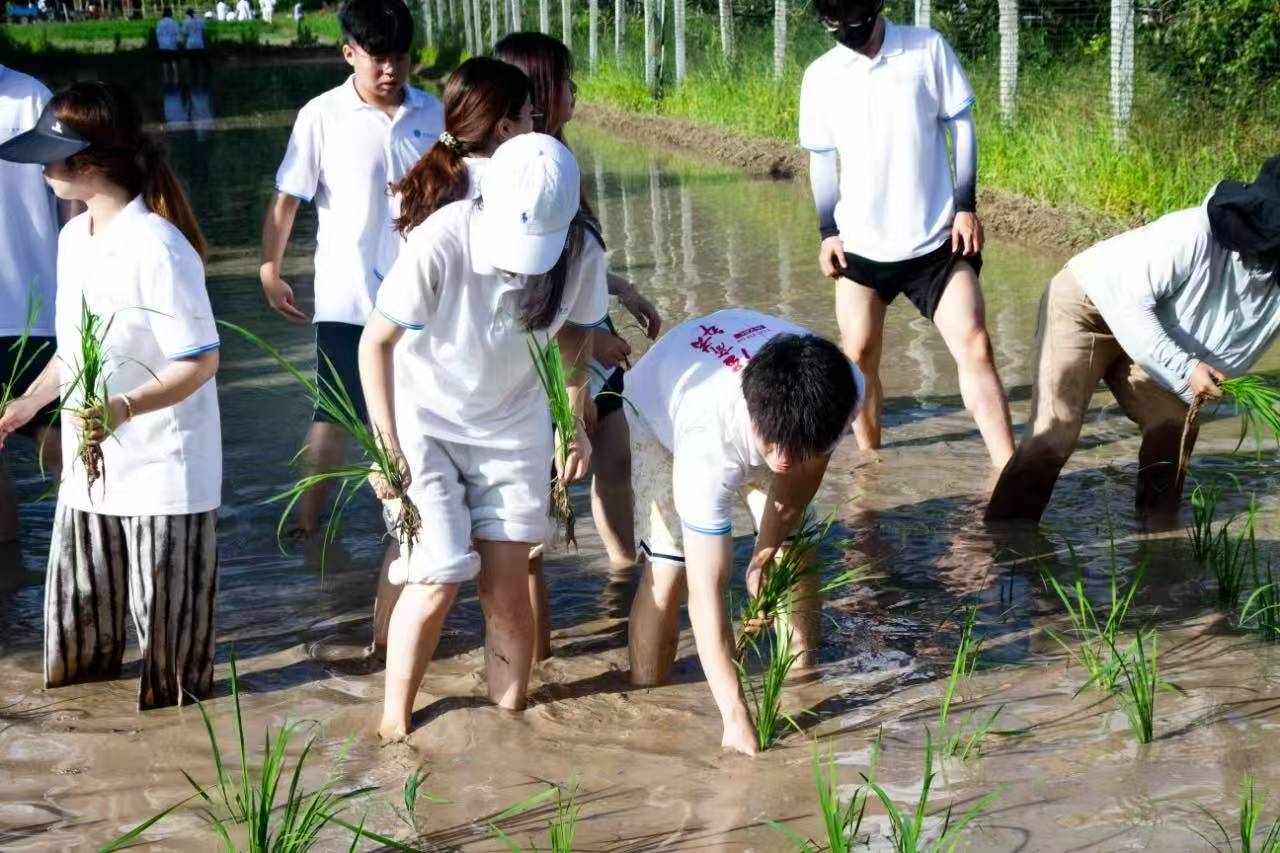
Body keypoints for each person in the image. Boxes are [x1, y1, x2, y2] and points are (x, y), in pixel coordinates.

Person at [361, 133, 607, 741]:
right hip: (425, 420)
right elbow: (376, 343)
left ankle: (508, 730)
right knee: (439, 574)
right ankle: (394, 729)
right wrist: (386, 445)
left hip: (514, 423)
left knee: (505, 585)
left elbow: (575, 338)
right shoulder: (443, 239)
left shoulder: (582, 251)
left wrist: (572, 419)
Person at [0, 82, 222, 710]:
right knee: (74, 652)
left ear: (90, 164)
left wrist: (124, 408)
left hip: (164, 473)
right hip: (89, 469)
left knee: (173, 679)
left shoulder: (160, 247)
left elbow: (201, 361)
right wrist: (28, 404)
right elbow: (74, 349)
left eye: (50, 156)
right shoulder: (75, 238)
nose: (41, 168)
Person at [987, 158, 1280, 523]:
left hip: (1160, 330)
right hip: (1088, 306)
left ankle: (1159, 541)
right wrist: (1186, 368)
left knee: (1173, 425)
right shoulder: (1193, 233)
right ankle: (1002, 542)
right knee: (1054, 434)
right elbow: (1131, 308)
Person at [625, 309, 863, 755]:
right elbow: (706, 593)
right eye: (775, 447)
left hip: (771, 401)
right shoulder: (707, 443)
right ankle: (649, 706)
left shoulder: (842, 389)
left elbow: (801, 478)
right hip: (660, 405)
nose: (784, 462)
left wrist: (765, 550)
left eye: (798, 448)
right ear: (753, 418)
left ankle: (802, 682)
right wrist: (734, 714)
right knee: (671, 568)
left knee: (796, 550)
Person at [495, 31, 663, 661]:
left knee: (615, 462)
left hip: (588, 342)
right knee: (541, 501)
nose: (575, 92)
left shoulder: (560, 158)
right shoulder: (520, 173)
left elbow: (581, 264)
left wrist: (622, 290)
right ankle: (535, 657)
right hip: (553, 359)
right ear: (540, 92)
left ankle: (624, 578)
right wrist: (594, 344)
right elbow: (535, 300)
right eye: (566, 81)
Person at [798, 0, 1013, 470]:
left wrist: (965, 206)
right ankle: (871, 466)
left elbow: (962, 127)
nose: (847, 31)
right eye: (834, 24)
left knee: (975, 343)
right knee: (858, 357)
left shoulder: (926, 48)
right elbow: (822, 161)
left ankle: (1009, 470)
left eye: (854, 20)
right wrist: (828, 231)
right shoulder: (821, 75)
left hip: (935, 241)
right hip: (859, 247)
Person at [367, 55, 533, 653]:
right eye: (531, 115)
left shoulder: (421, 183)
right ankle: (529, 664)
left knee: (416, 552)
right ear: (507, 126)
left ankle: (383, 651)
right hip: (483, 397)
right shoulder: (512, 192)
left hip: (407, 386)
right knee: (508, 567)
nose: (537, 126)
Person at [260, 0, 442, 541]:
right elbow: (287, 200)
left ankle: (414, 526)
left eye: (400, 57)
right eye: (377, 57)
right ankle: (306, 527)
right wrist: (269, 268)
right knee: (336, 413)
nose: (390, 70)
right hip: (349, 297)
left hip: (424, 296)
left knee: (420, 407)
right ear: (348, 54)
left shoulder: (434, 114)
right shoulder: (321, 116)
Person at [0, 65, 66, 546]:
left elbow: (72, 195)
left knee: (65, 450)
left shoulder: (29, 97)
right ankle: (9, 577)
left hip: (35, 307)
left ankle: (94, 562)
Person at [155, 7, 181, 83]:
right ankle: (176, 77)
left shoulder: (160, 23)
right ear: (171, 13)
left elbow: (158, 34)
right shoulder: (174, 22)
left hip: (163, 45)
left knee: (165, 62)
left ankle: (166, 78)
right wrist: (178, 41)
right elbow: (178, 33)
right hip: (172, 44)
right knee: (174, 62)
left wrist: (159, 42)